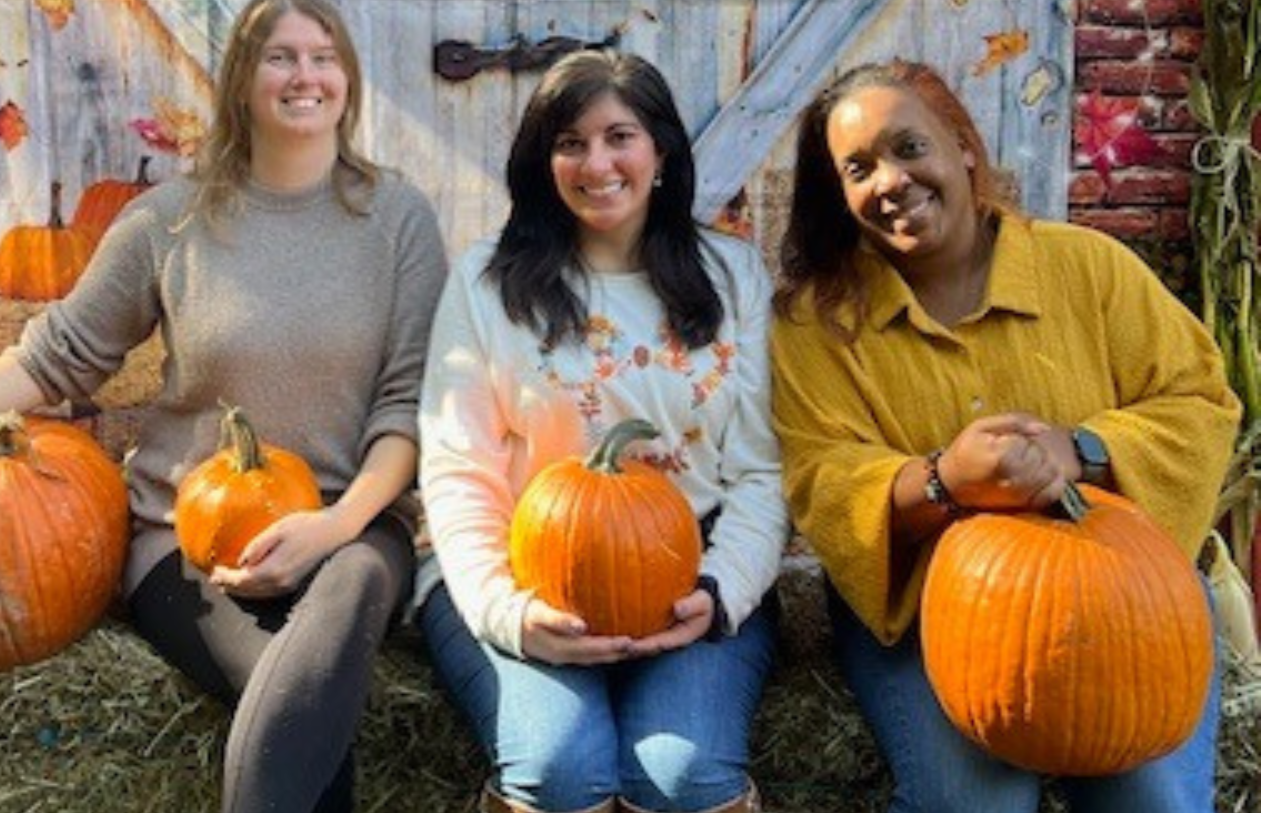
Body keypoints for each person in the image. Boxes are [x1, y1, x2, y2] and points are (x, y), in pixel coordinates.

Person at [0, 0, 448, 813]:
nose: (305, 76)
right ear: (241, 79)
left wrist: (335, 527)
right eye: (281, 56)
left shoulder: (399, 221)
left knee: (345, 597)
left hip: (350, 524)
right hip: (188, 544)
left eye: (323, 57)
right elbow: (54, 358)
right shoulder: (172, 221)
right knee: (302, 705)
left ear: (347, 78)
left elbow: (406, 409)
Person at [769, 59, 1241, 813]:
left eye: (908, 149)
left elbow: (1200, 399)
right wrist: (941, 482)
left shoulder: (1088, 268)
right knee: (974, 804)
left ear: (961, 146)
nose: (889, 180)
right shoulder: (818, 324)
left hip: (1127, 598)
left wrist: (1082, 449)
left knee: (1152, 798)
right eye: (858, 168)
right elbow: (822, 474)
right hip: (929, 611)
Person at [417, 49, 787, 813]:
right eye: (570, 143)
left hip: (691, 579)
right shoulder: (489, 283)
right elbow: (459, 471)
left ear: (660, 151)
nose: (597, 163)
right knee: (559, 767)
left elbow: (761, 470)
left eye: (619, 136)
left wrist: (719, 594)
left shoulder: (732, 277)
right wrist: (510, 616)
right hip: (527, 577)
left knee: (682, 777)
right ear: (542, 160)